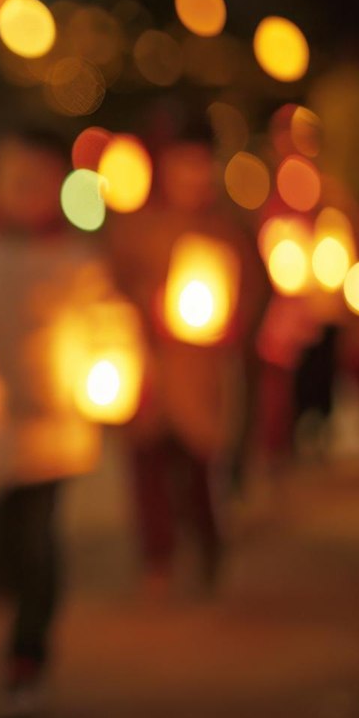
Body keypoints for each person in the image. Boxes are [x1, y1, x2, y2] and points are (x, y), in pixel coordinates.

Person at [0, 124, 121, 713]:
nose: (22, 191)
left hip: (51, 433)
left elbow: (105, 323)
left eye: (37, 182)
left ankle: (27, 650)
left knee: (38, 543)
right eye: (13, 177)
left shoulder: (71, 257)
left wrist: (111, 372)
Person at [106, 112, 264, 598]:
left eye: (201, 165)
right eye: (182, 165)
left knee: (199, 469)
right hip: (149, 371)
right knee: (148, 467)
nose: (192, 176)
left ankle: (209, 548)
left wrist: (232, 324)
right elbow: (112, 287)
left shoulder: (227, 231)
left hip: (201, 373)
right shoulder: (137, 227)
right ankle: (158, 557)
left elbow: (253, 293)